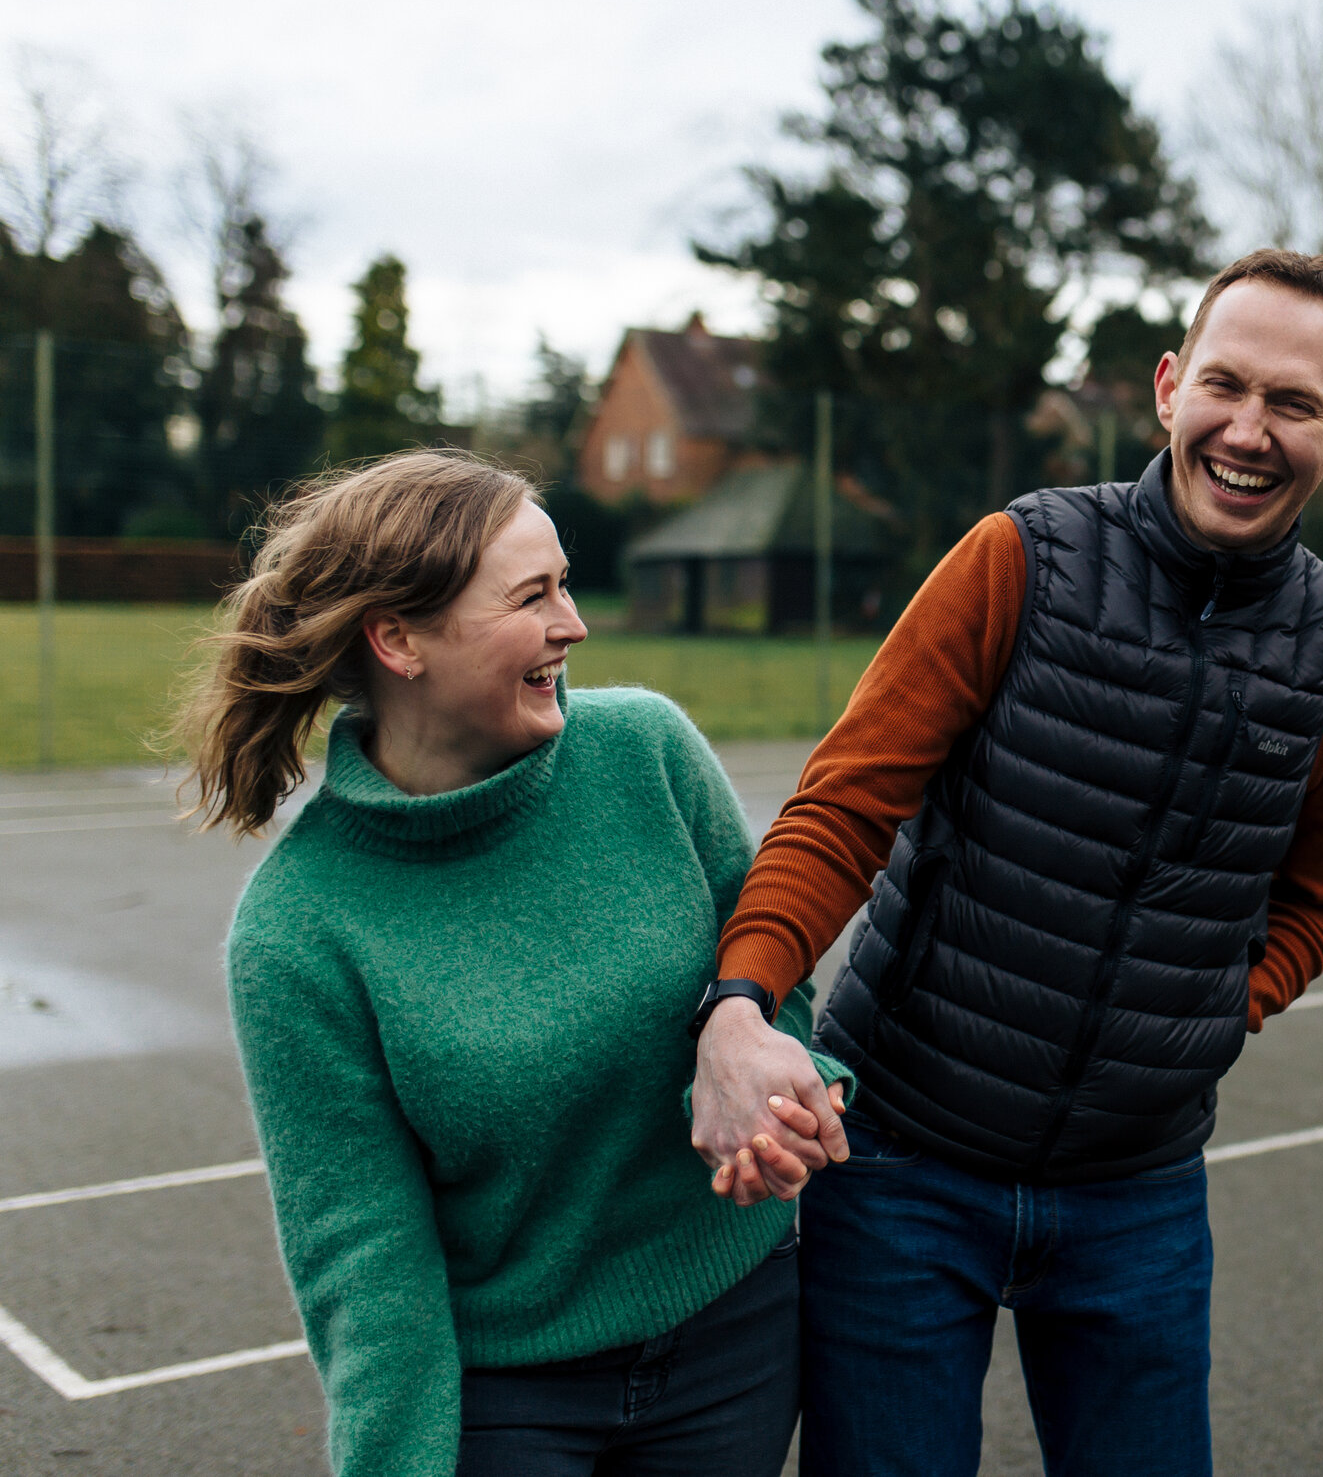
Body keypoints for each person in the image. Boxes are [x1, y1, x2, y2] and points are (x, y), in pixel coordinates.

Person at [687, 248, 1323, 1476]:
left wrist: (1207, 1014)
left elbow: (1314, 903)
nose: (1248, 428)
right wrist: (741, 999)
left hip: (1139, 1193)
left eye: (1294, 404)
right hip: (904, 1163)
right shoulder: (1020, 558)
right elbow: (845, 803)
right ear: (1169, 387)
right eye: (1225, 384)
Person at [193, 450, 850, 1477]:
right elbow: (364, 1262)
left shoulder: (650, 753)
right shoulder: (296, 932)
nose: (575, 621)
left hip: (738, 1335)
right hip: (507, 1401)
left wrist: (784, 1084)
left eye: (566, 582)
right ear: (399, 638)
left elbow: (773, 978)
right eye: (534, 594)